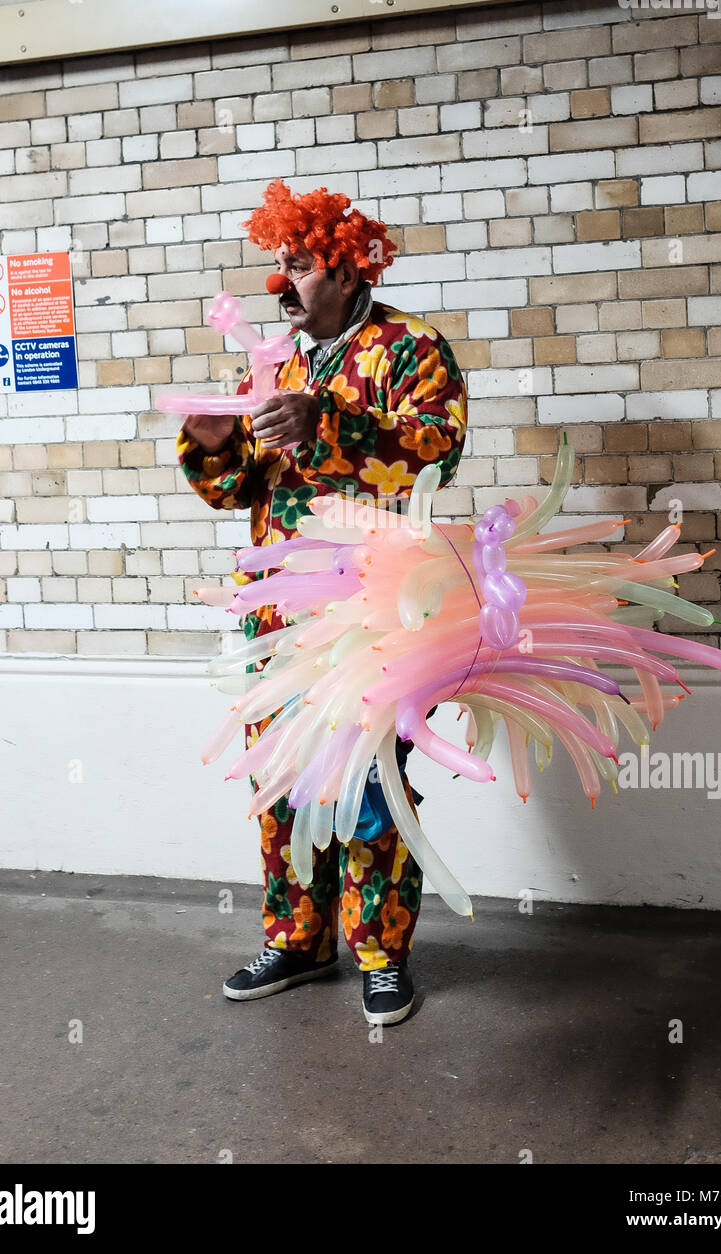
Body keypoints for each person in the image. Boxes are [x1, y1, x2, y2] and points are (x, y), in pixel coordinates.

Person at [178, 179, 467, 1026]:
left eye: (297, 265)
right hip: (276, 610)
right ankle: (299, 942)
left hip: (370, 611)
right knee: (282, 781)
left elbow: (433, 456)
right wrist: (212, 447)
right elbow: (239, 491)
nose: (280, 283)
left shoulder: (410, 348)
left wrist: (327, 422)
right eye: (277, 265)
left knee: (370, 785)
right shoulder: (274, 359)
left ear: (343, 269)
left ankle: (381, 953)